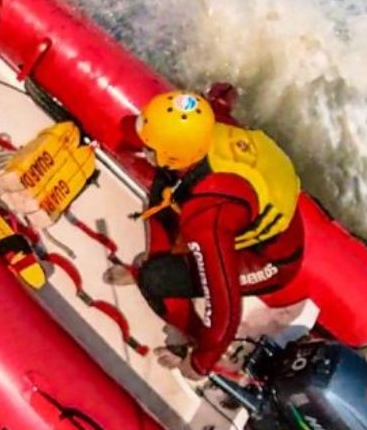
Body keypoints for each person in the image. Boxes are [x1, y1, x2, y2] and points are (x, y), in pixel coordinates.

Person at [113, 88, 305, 379]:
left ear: (171, 152)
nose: (142, 149)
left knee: (156, 279)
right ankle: (155, 265)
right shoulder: (210, 124)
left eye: (148, 147)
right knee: (161, 189)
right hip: (240, 216)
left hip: (267, 260)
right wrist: (222, 93)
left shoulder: (207, 218)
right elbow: (221, 96)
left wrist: (200, 364)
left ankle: (190, 335)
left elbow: (224, 307)